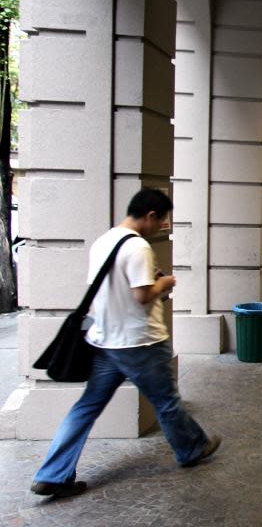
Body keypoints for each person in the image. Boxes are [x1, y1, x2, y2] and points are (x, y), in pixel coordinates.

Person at [30, 189, 220, 498]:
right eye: (162, 221)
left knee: (86, 408)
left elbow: (106, 288)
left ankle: (52, 473)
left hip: (106, 341)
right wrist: (165, 282)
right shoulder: (138, 248)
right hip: (139, 342)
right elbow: (142, 295)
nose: (162, 226)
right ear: (150, 216)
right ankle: (192, 447)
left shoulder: (104, 241)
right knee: (167, 401)